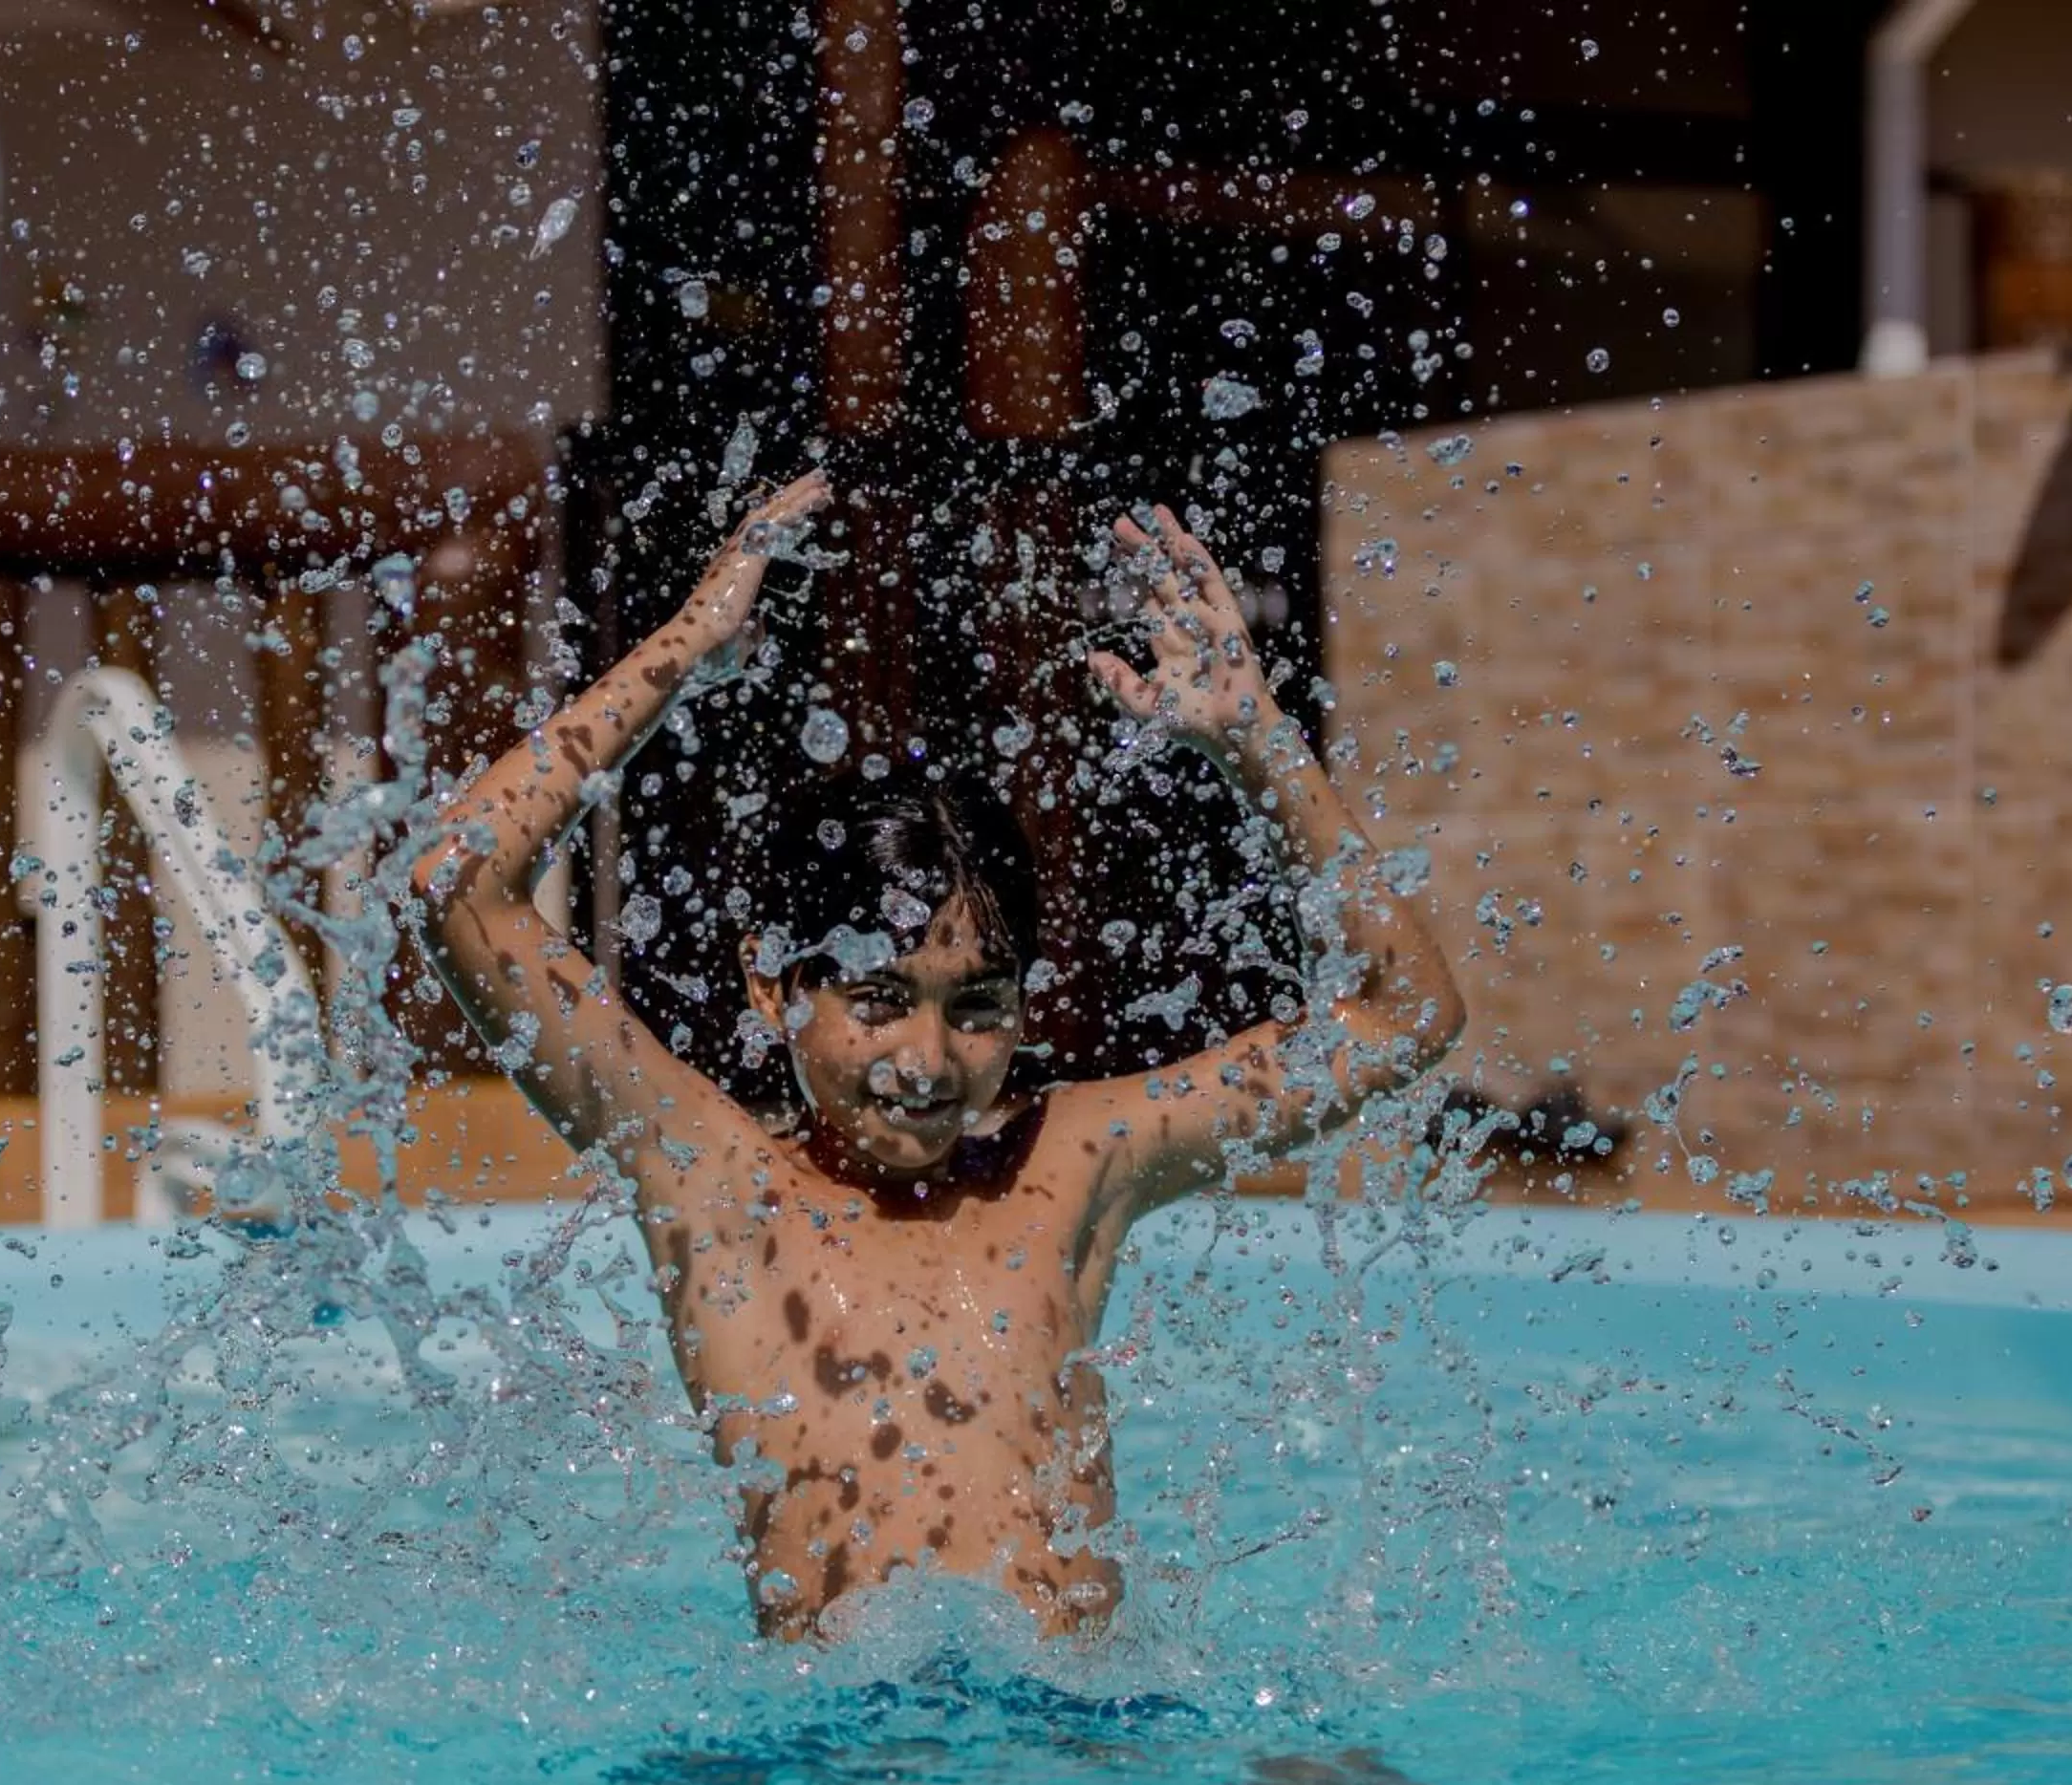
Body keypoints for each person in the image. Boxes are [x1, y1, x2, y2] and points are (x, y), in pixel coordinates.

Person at [411, 471, 1463, 1639]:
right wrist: (687, 646)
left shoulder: (1072, 1162)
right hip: (837, 1764)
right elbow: (458, 881)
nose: (929, 1055)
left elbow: (1404, 1015)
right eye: (876, 996)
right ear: (773, 984)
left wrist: (1260, 744)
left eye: (978, 1005)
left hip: (1081, 1751)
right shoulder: (717, 1183)